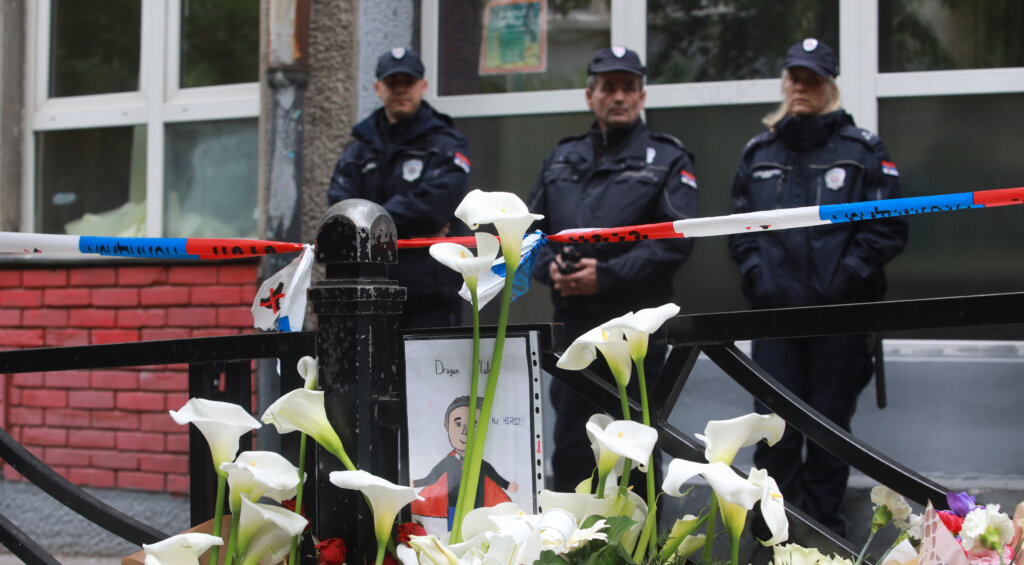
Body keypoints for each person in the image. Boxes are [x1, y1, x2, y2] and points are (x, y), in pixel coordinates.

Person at [727, 38, 908, 536]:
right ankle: (771, 539)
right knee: (774, 433)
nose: (801, 87)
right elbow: (738, 231)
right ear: (785, 84)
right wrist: (757, 279)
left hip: (839, 321)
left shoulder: (862, 150)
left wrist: (844, 278)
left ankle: (826, 540)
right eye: (794, 78)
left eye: (812, 79)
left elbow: (888, 228)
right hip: (776, 319)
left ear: (830, 87)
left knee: (830, 435)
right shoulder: (759, 152)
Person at [526, 46, 698, 492]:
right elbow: (529, 234)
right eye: (608, 87)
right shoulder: (561, 158)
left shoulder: (668, 158)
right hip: (571, 329)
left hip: (635, 332)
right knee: (570, 447)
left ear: (641, 98)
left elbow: (676, 241)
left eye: (628, 88)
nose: (618, 96)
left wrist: (606, 276)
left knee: (636, 452)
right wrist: (552, 270)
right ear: (590, 95)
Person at [328, 47, 471, 329]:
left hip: (430, 299)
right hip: (369, 294)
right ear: (378, 88)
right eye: (393, 83)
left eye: (408, 82)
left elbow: (433, 209)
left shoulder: (445, 143)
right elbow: (342, 216)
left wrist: (369, 225)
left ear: (423, 86)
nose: (401, 90)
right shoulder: (358, 149)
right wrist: (409, 226)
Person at [410, 396, 518, 530]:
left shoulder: (479, 464)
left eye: (473, 425)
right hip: (454, 508)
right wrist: (414, 483)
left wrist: (508, 485)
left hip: (478, 509)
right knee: (454, 533)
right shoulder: (449, 462)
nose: (465, 431)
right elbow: (432, 478)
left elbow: (494, 476)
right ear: (447, 426)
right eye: (458, 424)